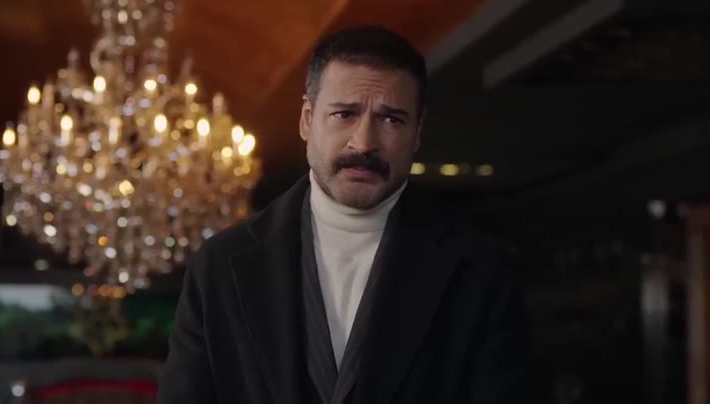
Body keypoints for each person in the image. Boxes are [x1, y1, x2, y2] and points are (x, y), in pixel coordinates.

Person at [158, 25, 529, 404]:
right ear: (307, 119)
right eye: (344, 114)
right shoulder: (219, 265)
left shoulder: (480, 270)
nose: (364, 143)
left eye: (391, 119)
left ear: (417, 132)